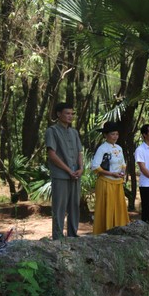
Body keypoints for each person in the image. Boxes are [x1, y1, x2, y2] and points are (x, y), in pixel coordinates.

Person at [45, 102, 83, 239]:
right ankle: (58, 236)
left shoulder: (74, 132)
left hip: (75, 175)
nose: (70, 116)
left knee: (74, 206)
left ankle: (73, 235)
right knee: (59, 208)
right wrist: (68, 170)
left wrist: (81, 168)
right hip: (60, 175)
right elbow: (52, 154)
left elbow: (79, 152)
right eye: (67, 113)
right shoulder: (52, 131)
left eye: (72, 113)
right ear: (58, 114)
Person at [91, 121, 130, 234]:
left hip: (118, 182)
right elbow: (95, 166)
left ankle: (119, 230)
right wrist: (111, 174)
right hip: (106, 182)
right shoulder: (102, 148)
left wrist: (122, 171)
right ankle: (104, 231)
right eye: (112, 134)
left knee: (118, 207)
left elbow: (123, 163)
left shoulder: (119, 148)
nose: (115, 137)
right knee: (106, 207)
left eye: (117, 134)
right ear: (105, 135)